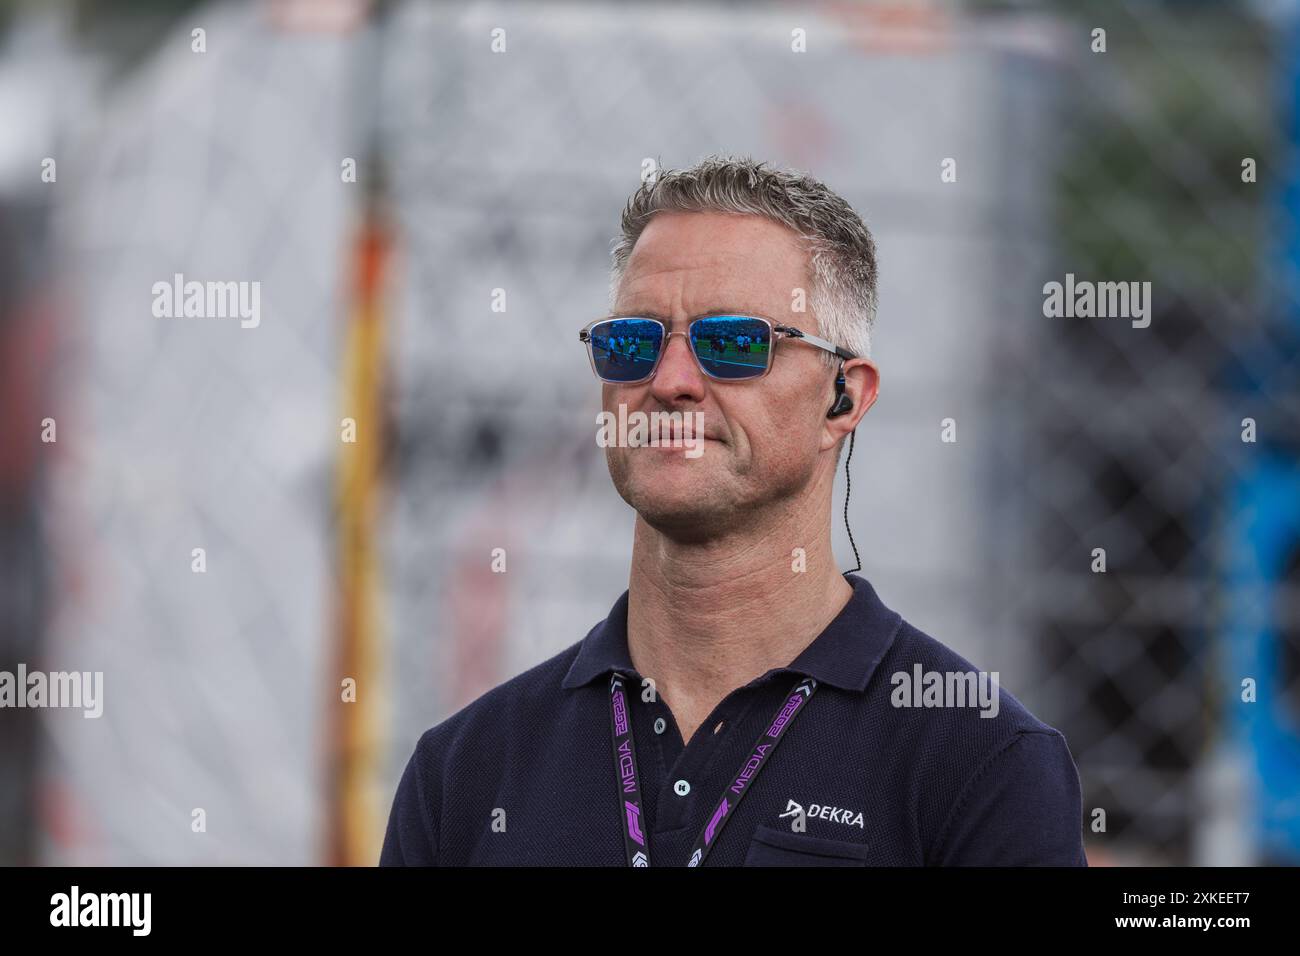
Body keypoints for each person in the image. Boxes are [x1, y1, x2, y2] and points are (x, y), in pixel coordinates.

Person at [380, 155, 1087, 866]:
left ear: (844, 397)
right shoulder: (466, 770)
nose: (670, 382)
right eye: (632, 344)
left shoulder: (981, 764)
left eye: (733, 344)